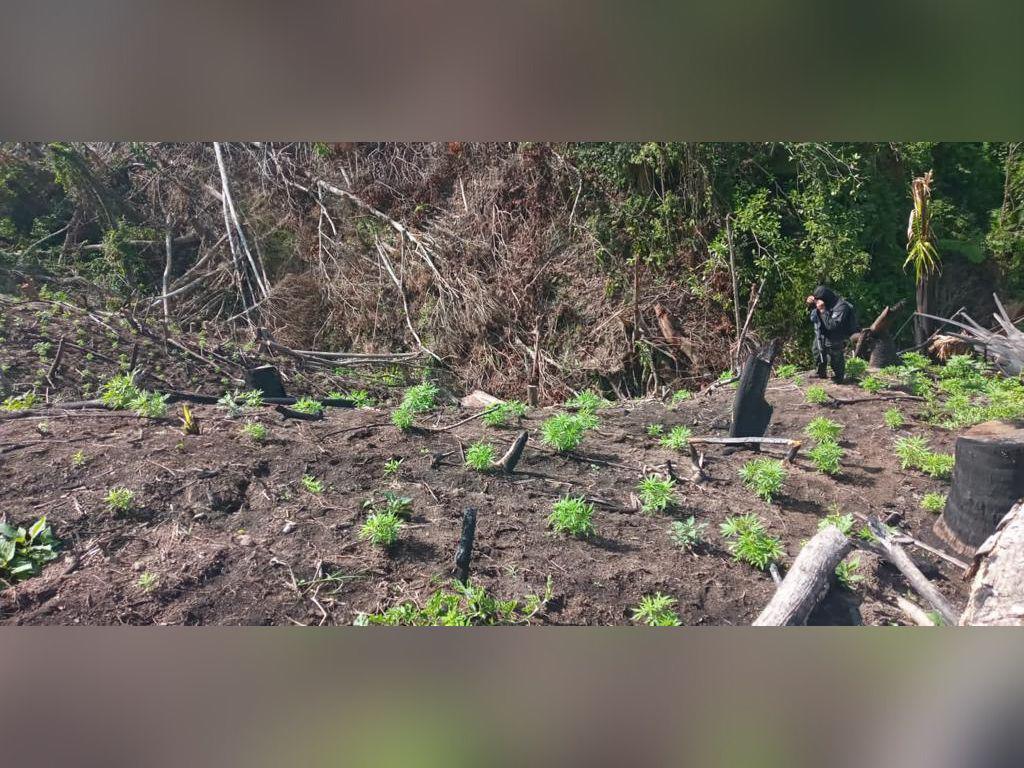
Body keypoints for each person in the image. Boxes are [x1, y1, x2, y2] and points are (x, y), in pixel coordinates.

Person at [806, 285, 853, 383]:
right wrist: (811, 304)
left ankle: (839, 377)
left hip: (836, 334)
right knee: (817, 351)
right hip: (822, 332)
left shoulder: (841, 306)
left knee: (835, 356)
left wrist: (823, 310)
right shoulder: (824, 302)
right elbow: (813, 315)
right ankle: (820, 372)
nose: (819, 302)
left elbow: (832, 326)